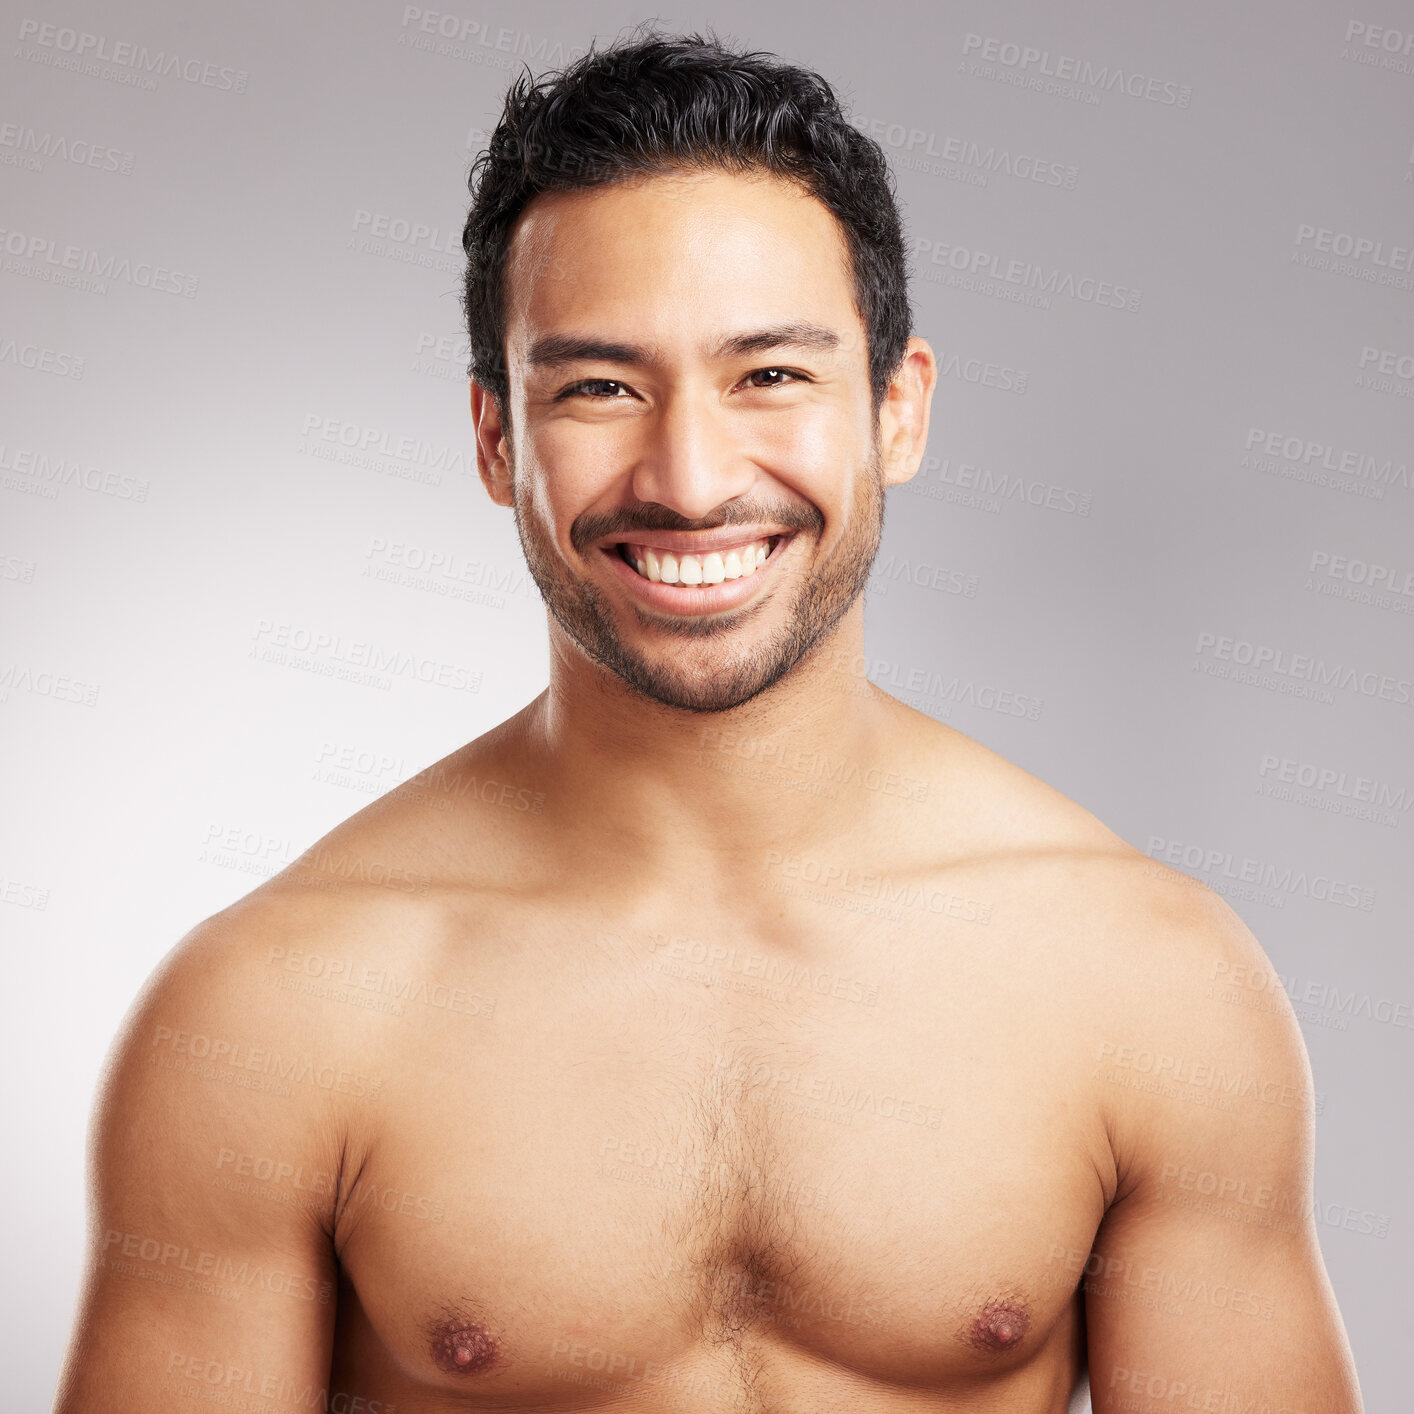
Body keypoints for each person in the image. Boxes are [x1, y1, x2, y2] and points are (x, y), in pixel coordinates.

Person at [54, 27, 1364, 1414]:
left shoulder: (1146, 981)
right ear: (497, 440)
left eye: (771, 376)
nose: (687, 478)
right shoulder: (275, 1010)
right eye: (599, 387)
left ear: (897, 408)